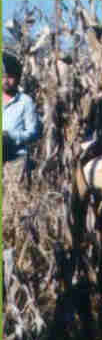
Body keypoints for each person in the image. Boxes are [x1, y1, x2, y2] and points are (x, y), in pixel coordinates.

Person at [3, 52, 42, 226]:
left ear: (18, 79)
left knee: (12, 206)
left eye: (11, 77)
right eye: (4, 76)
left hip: (16, 160)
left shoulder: (26, 102)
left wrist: (12, 137)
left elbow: (34, 132)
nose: (6, 80)